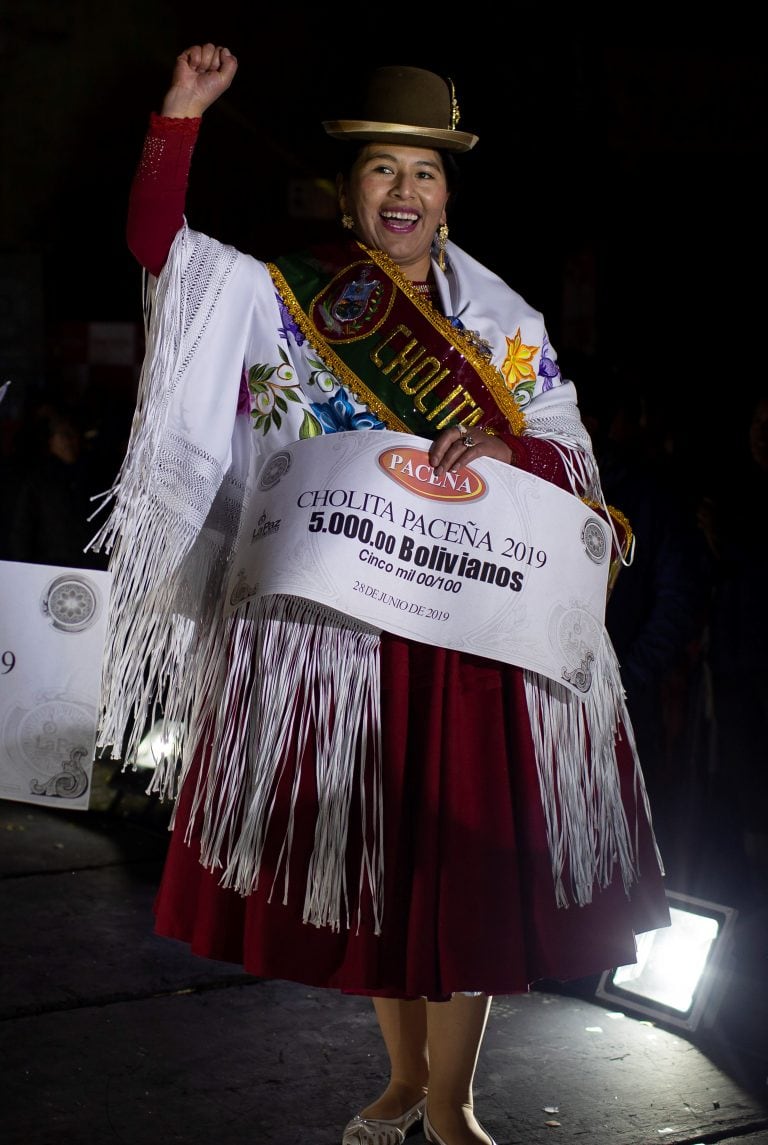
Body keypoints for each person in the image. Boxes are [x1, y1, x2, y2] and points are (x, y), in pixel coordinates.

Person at [95, 45, 670, 1145]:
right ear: (347, 191)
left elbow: (573, 465)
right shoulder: (285, 298)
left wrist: (505, 444)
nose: (404, 193)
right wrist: (179, 116)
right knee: (379, 869)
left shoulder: (505, 326)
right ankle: (403, 1079)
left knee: (457, 876)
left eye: (424, 173)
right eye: (381, 172)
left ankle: (452, 1106)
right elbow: (159, 251)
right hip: (346, 638)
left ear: (448, 194)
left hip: (469, 638)